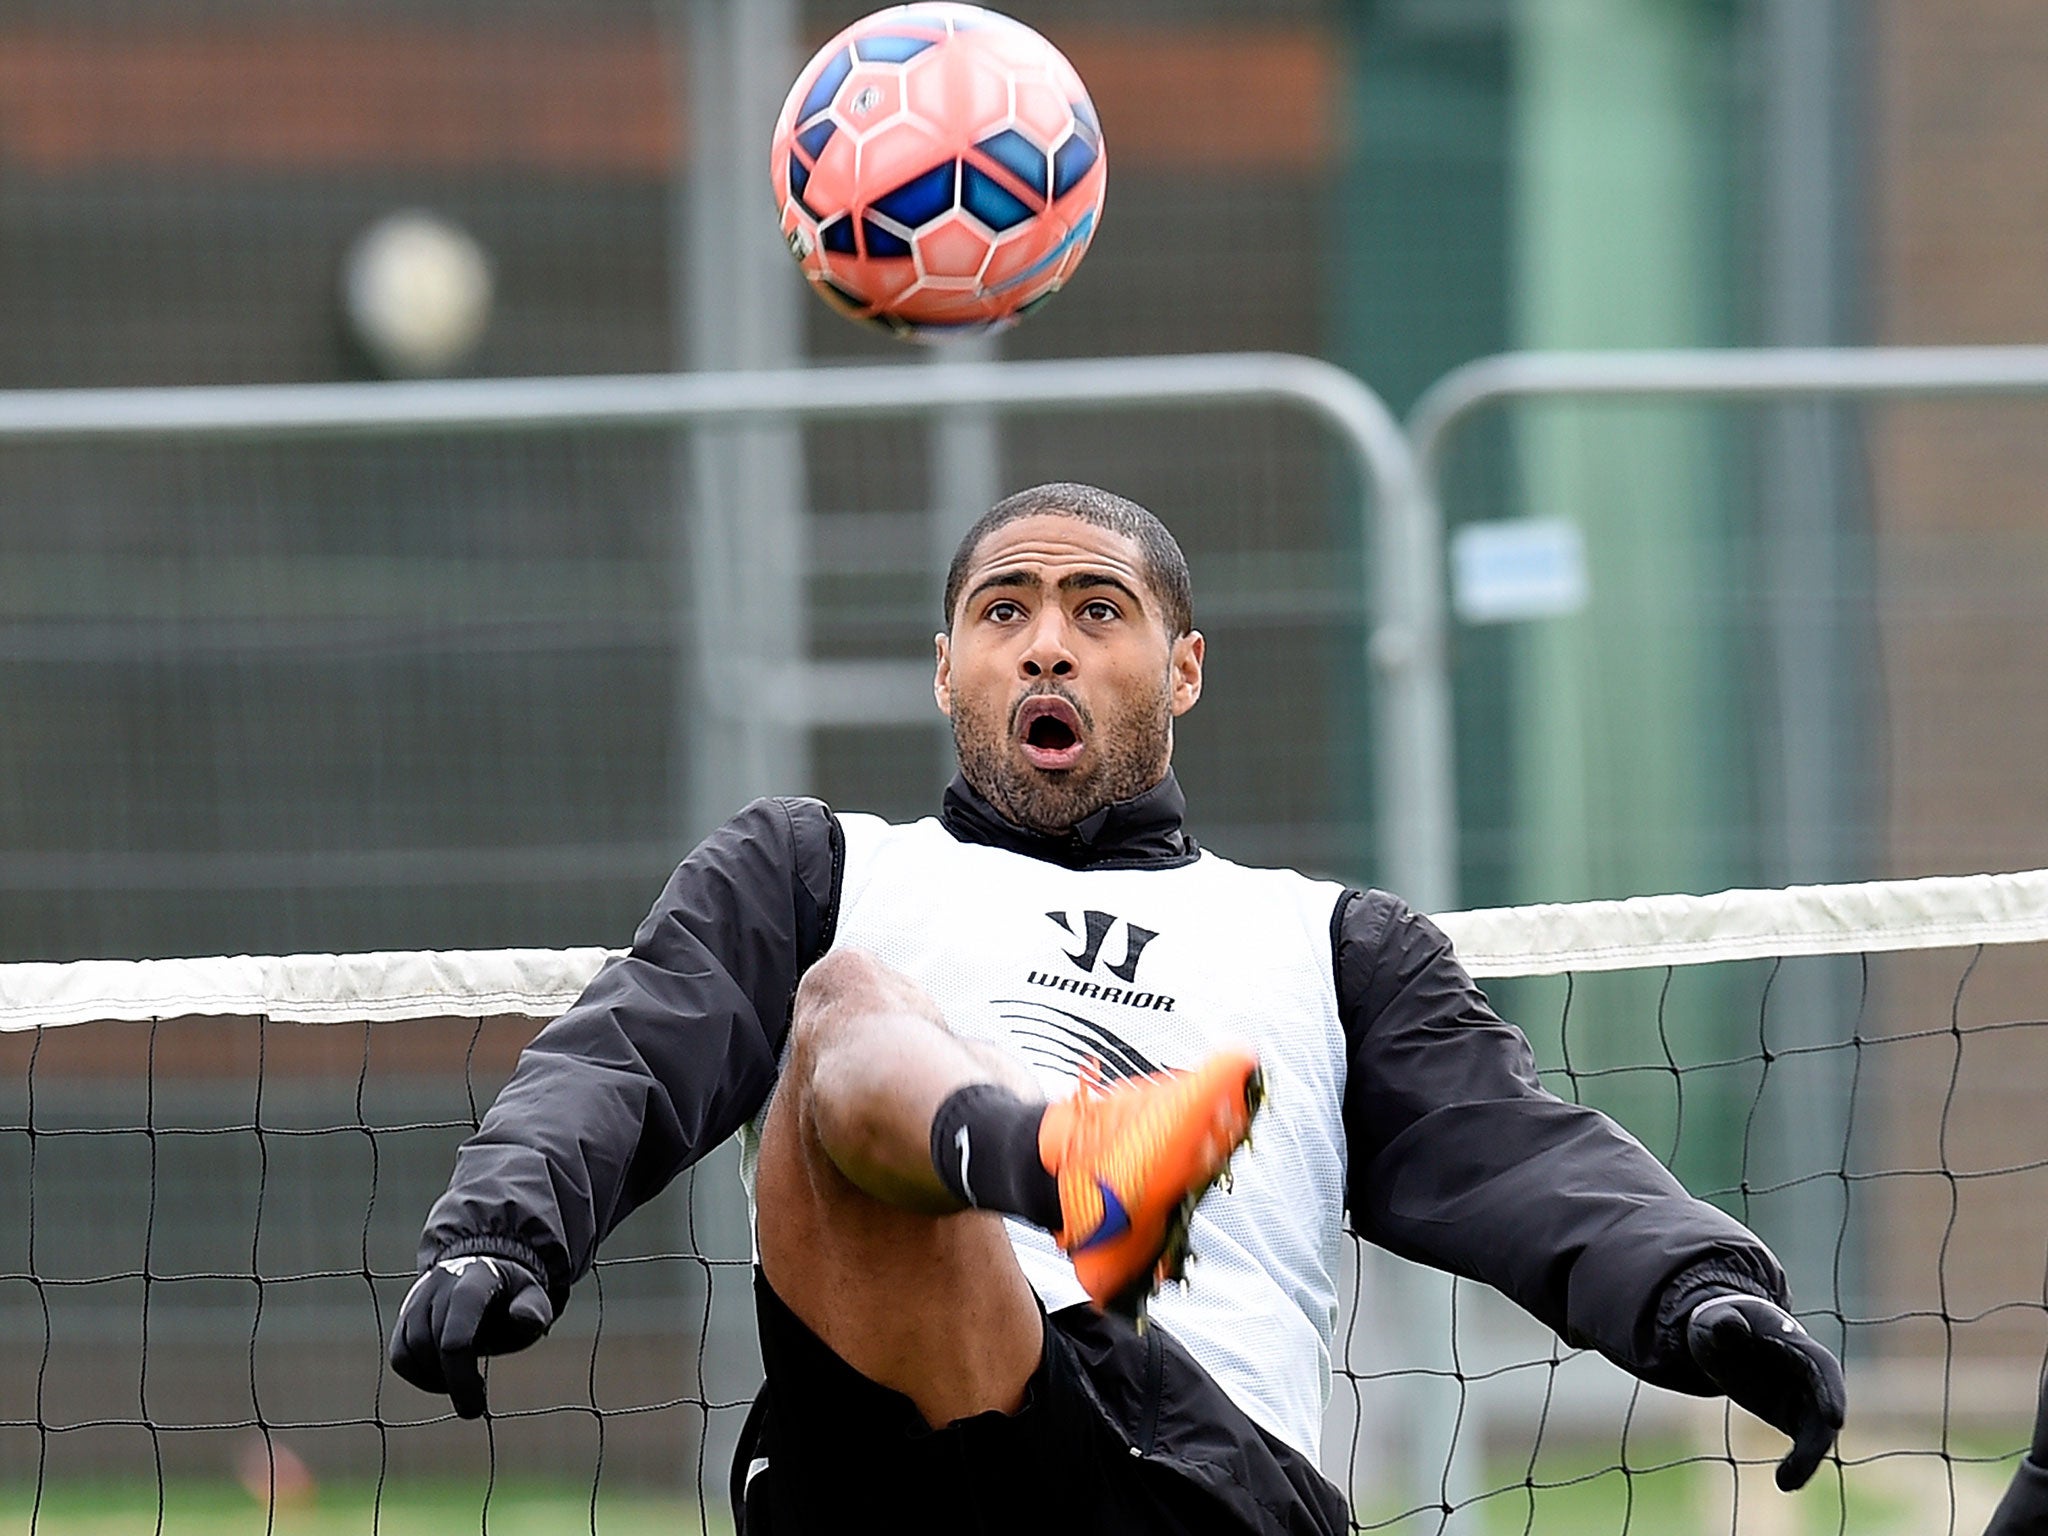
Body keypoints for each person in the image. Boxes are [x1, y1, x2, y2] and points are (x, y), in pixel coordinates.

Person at [389, 482, 1847, 1534]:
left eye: (1100, 609)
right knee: (841, 1010)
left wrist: (1699, 1292)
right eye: (1003, 609)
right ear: (946, 668)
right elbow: (634, 1042)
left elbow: (1515, 1152)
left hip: (1206, 1483)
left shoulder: (1327, 944)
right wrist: (499, 1231)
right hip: (905, 1439)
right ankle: (1057, 1160)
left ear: (1184, 668)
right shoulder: (820, 870)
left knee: (847, 1021)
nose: (1048, 643)